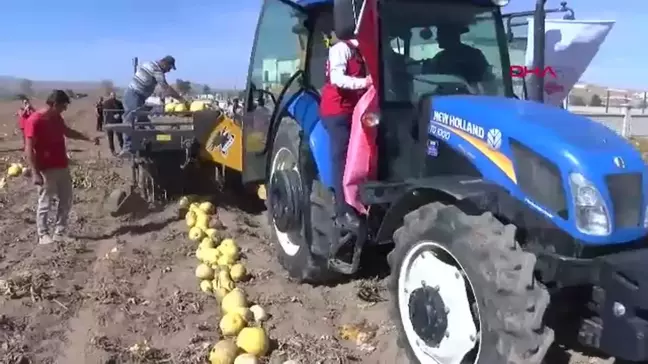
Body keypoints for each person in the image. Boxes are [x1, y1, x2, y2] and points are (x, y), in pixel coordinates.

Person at [23, 90, 99, 245]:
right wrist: (35, 173)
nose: (64, 110)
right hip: (45, 168)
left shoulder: (56, 118)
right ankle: (43, 234)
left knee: (66, 200)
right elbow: (29, 148)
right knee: (46, 202)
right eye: (63, 107)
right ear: (55, 104)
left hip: (61, 165)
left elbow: (67, 132)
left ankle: (60, 232)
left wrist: (88, 138)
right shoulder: (35, 120)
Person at [319, 35, 372, 228]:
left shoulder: (360, 52)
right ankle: (343, 211)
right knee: (341, 158)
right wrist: (365, 82)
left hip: (354, 110)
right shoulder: (341, 49)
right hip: (337, 111)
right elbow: (337, 79)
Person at [117, 55, 188, 158]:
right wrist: (181, 99)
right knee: (131, 117)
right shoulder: (156, 70)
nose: (168, 71)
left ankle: (157, 138)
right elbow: (166, 88)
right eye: (169, 68)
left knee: (143, 120)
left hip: (138, 97)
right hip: (134, 95)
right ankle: (128, 148)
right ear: (164, 63)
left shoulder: (148, 64)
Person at [425, 25, 494, 88]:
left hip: (469, 94)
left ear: (451, 38)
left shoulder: (473, 54)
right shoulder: (440, 56)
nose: (438, 40)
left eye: (440, 37)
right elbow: (430, 74)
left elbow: (486, 78)